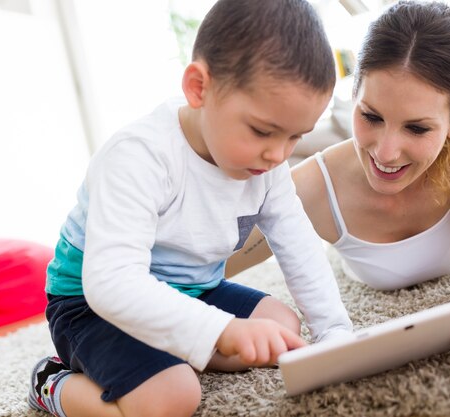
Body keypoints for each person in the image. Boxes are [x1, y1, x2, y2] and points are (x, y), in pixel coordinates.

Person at [27, 1, 353, 416]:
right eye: (262, 131)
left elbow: (299, 243)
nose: (277, 154)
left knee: (280, 328)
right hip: (91, 305)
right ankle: (52, 383)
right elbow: (110, 283)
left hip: (192, 289)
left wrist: (335, 331)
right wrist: (221, 330)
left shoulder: (266, 164)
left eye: (295, 137)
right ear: (199, 87)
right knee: (172, 397)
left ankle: (173, 349)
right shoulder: (139, 156)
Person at [227, 0, 450, 356]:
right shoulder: (310, 188)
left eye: (417, 128)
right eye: (371, 117)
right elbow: (203, 267)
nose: (386, 153)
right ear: (354, 93)